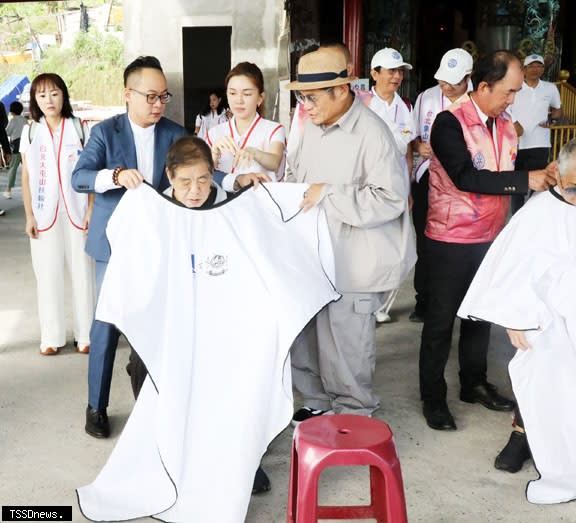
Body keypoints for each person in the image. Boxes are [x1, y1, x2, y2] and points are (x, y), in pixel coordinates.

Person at [77, 136, 339, 523]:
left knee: (240, 379)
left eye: (203, 180)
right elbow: (134, 264)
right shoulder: (154, 211)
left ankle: (243, 460)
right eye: (185, 182)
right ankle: (171, 450)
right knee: (147, 370)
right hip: (173, 325)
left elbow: (270, 236)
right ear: (169, 176)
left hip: (224, 324)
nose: (196, 191)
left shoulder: (234, 207)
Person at [418, 50, 556, 431]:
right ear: (483, 86)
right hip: (450, 239)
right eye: (508, 92)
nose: (513, 99)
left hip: (492, 236)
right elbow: (465, 177)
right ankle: (433, 398)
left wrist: (542, 174)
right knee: (441, 323)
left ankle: (473, 383)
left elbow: (508, 170)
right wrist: (526, 179)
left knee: (480, 315)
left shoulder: (506, 124)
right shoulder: (449, 123)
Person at [458, 137, 576, 504]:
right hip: (548, 323)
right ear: (558, 177)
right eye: (575, 188)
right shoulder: (538, 214)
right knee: (545, 386)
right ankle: (523, 438)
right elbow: (510, 270)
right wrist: (514, 318)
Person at [285, 46, 416, 423]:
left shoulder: (372, 133)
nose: (305, 105)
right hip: (314, 255)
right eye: (301, 97)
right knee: (307, 339)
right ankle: (317, 401)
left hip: (355, 261)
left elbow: (391, 199)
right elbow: (297, 178)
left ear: (341, 91)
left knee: (346, 347)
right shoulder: (311, 127)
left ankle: (355, 416)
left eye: (310, 97)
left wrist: (329, 193)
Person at [72, 56, 187, 439]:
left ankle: (153, 394)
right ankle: (96, 406)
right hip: (114, 245)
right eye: (151, 97)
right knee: (107, 322)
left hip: (159, 243)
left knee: (160, 320)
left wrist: (238, 177)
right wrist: (115, 175)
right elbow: (80, 177)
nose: (158, 105)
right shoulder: (106, 132)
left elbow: (202, 169)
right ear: (128, 94)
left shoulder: (174, 133)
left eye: (163, 98)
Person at [20, 73, 95, 356]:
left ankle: (85, 335)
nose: (48, 100)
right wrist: (28, 216)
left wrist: (91, 209)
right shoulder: (31, 132)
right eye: (42, 95)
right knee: (47, 274)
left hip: (77, 212)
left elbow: (90, 171)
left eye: (54, 93)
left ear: (63, 95)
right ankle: (51, 337)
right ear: (35, 101)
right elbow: (26, 177)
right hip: (43, 213)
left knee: (82, 272)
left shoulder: (79, 128)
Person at [410, 48, 473, 324]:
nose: (446, 87)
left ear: (469, 78)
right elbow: (413, 136)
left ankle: (463, 302)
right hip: (427, 176)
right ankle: (423, 300)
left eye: (454, 82)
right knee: (426, 241)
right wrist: (418, 146)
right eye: (443, 80)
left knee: (460, 244)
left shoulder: (477, 101)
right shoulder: (426, 97)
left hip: (463, 181)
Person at [367, 47, 415, 324]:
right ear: (375, 74)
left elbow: (406, 150)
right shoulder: (362, 103)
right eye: (391, 71)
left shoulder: (405, 107)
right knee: (373, 246)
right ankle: (369, 302)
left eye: (400, 72)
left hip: (397, 186)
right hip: (371, 186)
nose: (396, 77)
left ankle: (383, 304)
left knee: (400, 249)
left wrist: (408, 188)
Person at [206, 62, 286, 192]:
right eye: (232, 93)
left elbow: (275, 162)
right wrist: (214, 153)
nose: (239, 100)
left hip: (259, 206)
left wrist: (254, 152)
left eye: (247, 94)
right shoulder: (214, 133)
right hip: (221, 207)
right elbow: (203, 175)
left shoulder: (274, 130)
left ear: (260, 98)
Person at [510, 53, 562, 213]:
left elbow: (558, 111)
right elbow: (505, 110)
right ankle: (517, 216)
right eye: (531, 66)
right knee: (517, 185)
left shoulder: (550, 88)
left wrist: (552, 120)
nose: (535, 69)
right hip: (517, 143)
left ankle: (532, 215)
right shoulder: (514, 87)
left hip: (541, 143)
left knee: (540, 184)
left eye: (539, 65)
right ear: (524, 69)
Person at [4, 101, 28, 200]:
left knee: (12, 168)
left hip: (16, 147)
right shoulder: (24, 120)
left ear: (11, 110)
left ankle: (8, 191)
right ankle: (31, 189)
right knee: (27, 168)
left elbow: (7, 133)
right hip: (26, 147)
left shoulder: (13, 121)